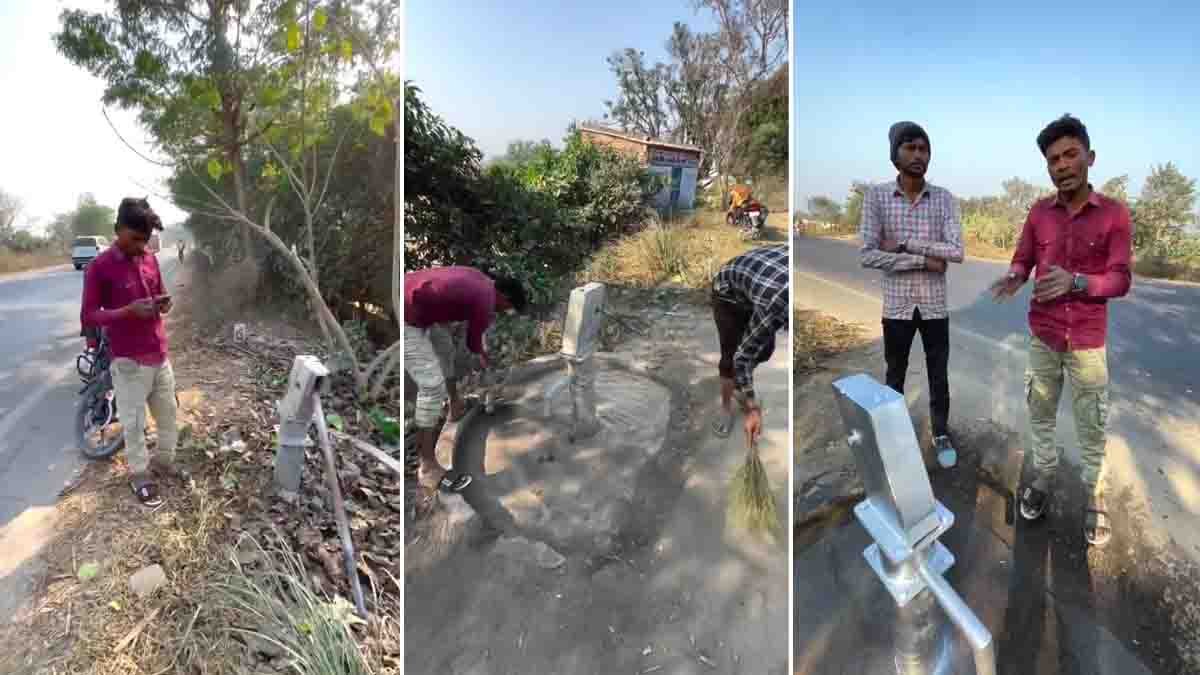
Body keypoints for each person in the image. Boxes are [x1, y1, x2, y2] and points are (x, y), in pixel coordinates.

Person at [990, 114, 1132, 548]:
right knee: (1041, 414)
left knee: (1091, 421)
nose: (1062, 165)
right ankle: (1044, 477)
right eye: (1053, 159)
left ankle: (1094, 492)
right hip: (1044, 336)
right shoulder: (1039, 213)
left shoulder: (1114, 216)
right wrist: (1015, 276)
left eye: (1070, 154)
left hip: (1087, 340)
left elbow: (1121, 280)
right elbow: (1023, 257)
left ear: (1090, 157)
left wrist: (1078, 282)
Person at [860, 121, 965, 469]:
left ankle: (940, 432)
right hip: (897, 306)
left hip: (935, 307)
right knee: (895, 373)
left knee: (939, 374)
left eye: (924, 149)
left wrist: (905, 244)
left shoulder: (945, 199)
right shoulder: (876, 197)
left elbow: (956, 251)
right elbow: (869, 254)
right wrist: (923, 259)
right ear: (895, 153)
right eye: (910, 147)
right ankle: (893, 436)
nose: (918, 155)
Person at [80, 198, 181, 507]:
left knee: (169, 418)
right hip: (128, 362)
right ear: (117, 231)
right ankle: (139, 475)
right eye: (135, 239)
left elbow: (160, 294)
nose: (141, 246)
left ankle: (164, 464)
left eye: (145, 239)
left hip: (159, 354)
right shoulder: (100, 267)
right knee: (135, 425)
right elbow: (89, 315)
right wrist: (126, 311)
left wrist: (164, 303)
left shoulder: (149, 259)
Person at [404, 266, 528, 492]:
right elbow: (473, 343)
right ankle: (427, 467)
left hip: (416, 301)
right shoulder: (486, 299)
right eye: (507, 308)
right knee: (432, 387)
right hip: (407, 314)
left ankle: (455, 404)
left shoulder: (482, 281)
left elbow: (446, 294)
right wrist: (482, 355)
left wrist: (480, 349)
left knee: (445, 349)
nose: (503, 312)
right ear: (505, 297)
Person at [710, 244, 789, 447]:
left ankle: (740, 385)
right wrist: (754, 409)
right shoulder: (775, 302)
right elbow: (743, 357)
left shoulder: (779, 298)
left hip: (758, 285)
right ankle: (726, 408)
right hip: (728, 293)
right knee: (731, 358)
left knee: (765, 349)